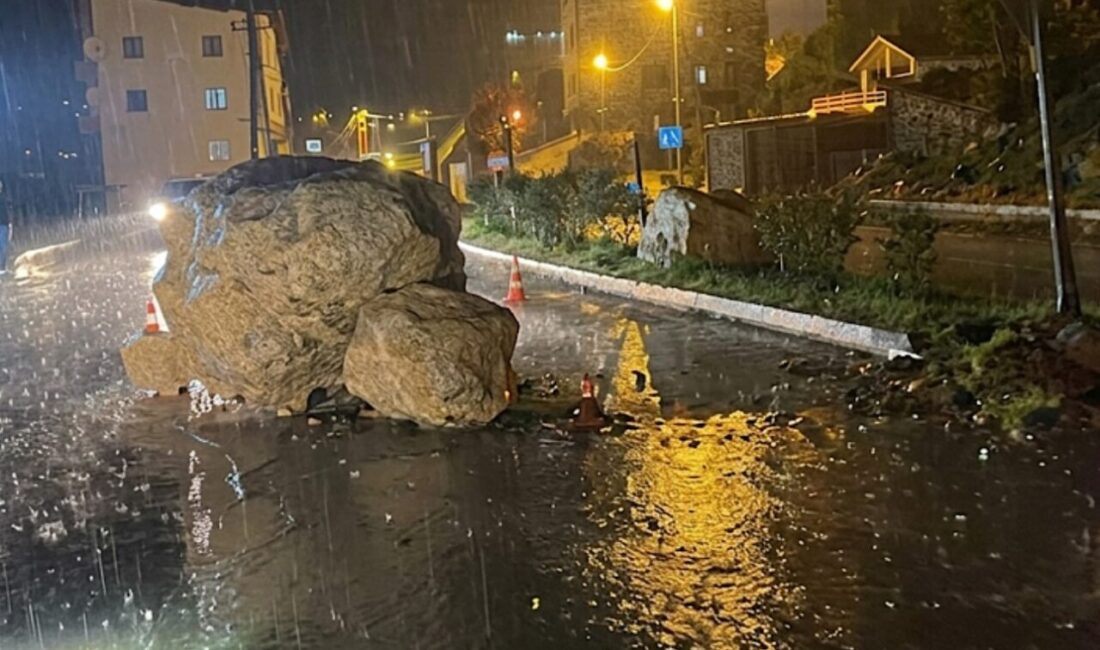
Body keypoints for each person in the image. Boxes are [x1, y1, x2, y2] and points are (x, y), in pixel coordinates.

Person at [0, 181, 10, 274]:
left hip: (4, 225)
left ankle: (3, 268)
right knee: (2, 246)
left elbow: (6, 212)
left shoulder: (3, 198)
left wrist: (9, 223)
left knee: (4, 246)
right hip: (3, 225)